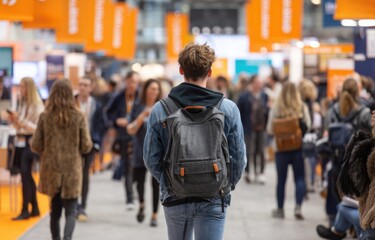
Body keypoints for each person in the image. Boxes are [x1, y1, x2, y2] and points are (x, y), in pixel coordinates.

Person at [143, 43, 246, 240]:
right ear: (209, 71)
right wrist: (224, 185)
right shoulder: (228, 109)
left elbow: (150, 159)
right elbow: (239, 159)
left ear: (181, 70)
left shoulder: (161, 109)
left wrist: (170, 183)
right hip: (214, 196)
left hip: (175, 197)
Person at [31, 79, 93, 240]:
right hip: (72, 170)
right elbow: (86, 146)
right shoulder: (79, 116)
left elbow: (36, 145)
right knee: (71, 210)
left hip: (52, 171)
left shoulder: (45, 116)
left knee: (55, 211)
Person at [324, 78, 372, 225]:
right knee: (357, 195)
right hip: (357, 160)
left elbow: (325, 133)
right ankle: (354, 225)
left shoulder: (332, 111)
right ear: (357, 92)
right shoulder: (364, 113)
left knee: (337, 190)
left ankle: (336, 222)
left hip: (337, 157)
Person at [267, 81, 311, 220]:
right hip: (297, 148)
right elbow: (308, 126)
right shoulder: (302, 107)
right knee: (299, 178)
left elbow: (269, 129)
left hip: (281, 149)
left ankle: (280, 209)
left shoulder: (276, 108)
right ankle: (298, 207)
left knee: (281, 180)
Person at [127, 79, 162, 227]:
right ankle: (141, 203)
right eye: (151, 89)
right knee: (138, 182)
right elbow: (130, 129)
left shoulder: (162, 107)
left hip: (157, 152)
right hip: (140, 150)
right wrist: (143, 115)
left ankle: (154, 215)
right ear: (145, 90)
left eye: (156, 89)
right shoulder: (137, 106)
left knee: (156, 184)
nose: (154, 92)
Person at [9, 77, 44, 220]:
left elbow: (38, 129)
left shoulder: (38, 106)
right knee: (25, 176)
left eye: (23, 87)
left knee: (26, 175)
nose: (20, 90)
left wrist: (21, 121)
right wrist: (15, 121)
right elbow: (21, 126)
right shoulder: (22, 104)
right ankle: (34, 207)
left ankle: (26, 209)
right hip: (22, 142)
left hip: (33, 144)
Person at [105, 71, 140, 209]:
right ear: (126, 81)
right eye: (131, 82)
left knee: (138, 168)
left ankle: (135, 190)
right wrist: (115, 122)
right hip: (124, 136)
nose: (133, 85)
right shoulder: (118, 96)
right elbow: (107, 112)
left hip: (139, 136)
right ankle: (129, 197)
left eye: (135, 82)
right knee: (128, 166)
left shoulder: (140, 97)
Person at [74, 75, 105, 221]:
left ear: (91, 88)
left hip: (89, 144)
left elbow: (100, 124)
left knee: (85, 175)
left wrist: (97, 141)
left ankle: (82, 206)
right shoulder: (71, 102)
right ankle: (73, 205)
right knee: (74, 175)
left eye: (85, 85)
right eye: (80, 84)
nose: (82, 87)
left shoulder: (96, 105)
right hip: (73, 145)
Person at [237, 74, 268, 184]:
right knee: (249, 151)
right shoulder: (244, 96)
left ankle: (260, 173)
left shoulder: (264, 95)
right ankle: (248, 172)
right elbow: (239, 111)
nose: (259, 85)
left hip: (261, 128)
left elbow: (267, 111)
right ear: (252, 83)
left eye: (260, 82)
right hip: (248, 128)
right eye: (257, 82)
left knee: (260, 151)